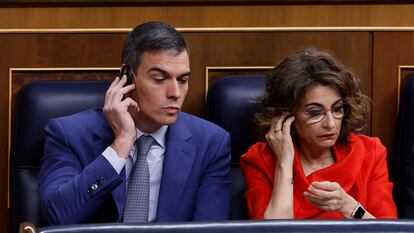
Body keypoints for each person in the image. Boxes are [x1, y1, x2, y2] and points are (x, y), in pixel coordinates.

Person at [38, 21, 231, 225]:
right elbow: (57, 217)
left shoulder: (211, 143)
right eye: (159, 79)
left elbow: (210, 228)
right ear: (127, 76)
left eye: (182, 80)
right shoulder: (69, 134)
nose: (175, 93)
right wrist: (121, 143)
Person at [240, 48, 397, 219]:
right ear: (287, 114)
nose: (330, 123)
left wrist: (349, 207)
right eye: (315, 112)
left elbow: (390, 231)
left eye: (337, 109)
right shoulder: (260, 160)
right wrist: (284, 165)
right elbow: (272, 232)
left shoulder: (371, 152)